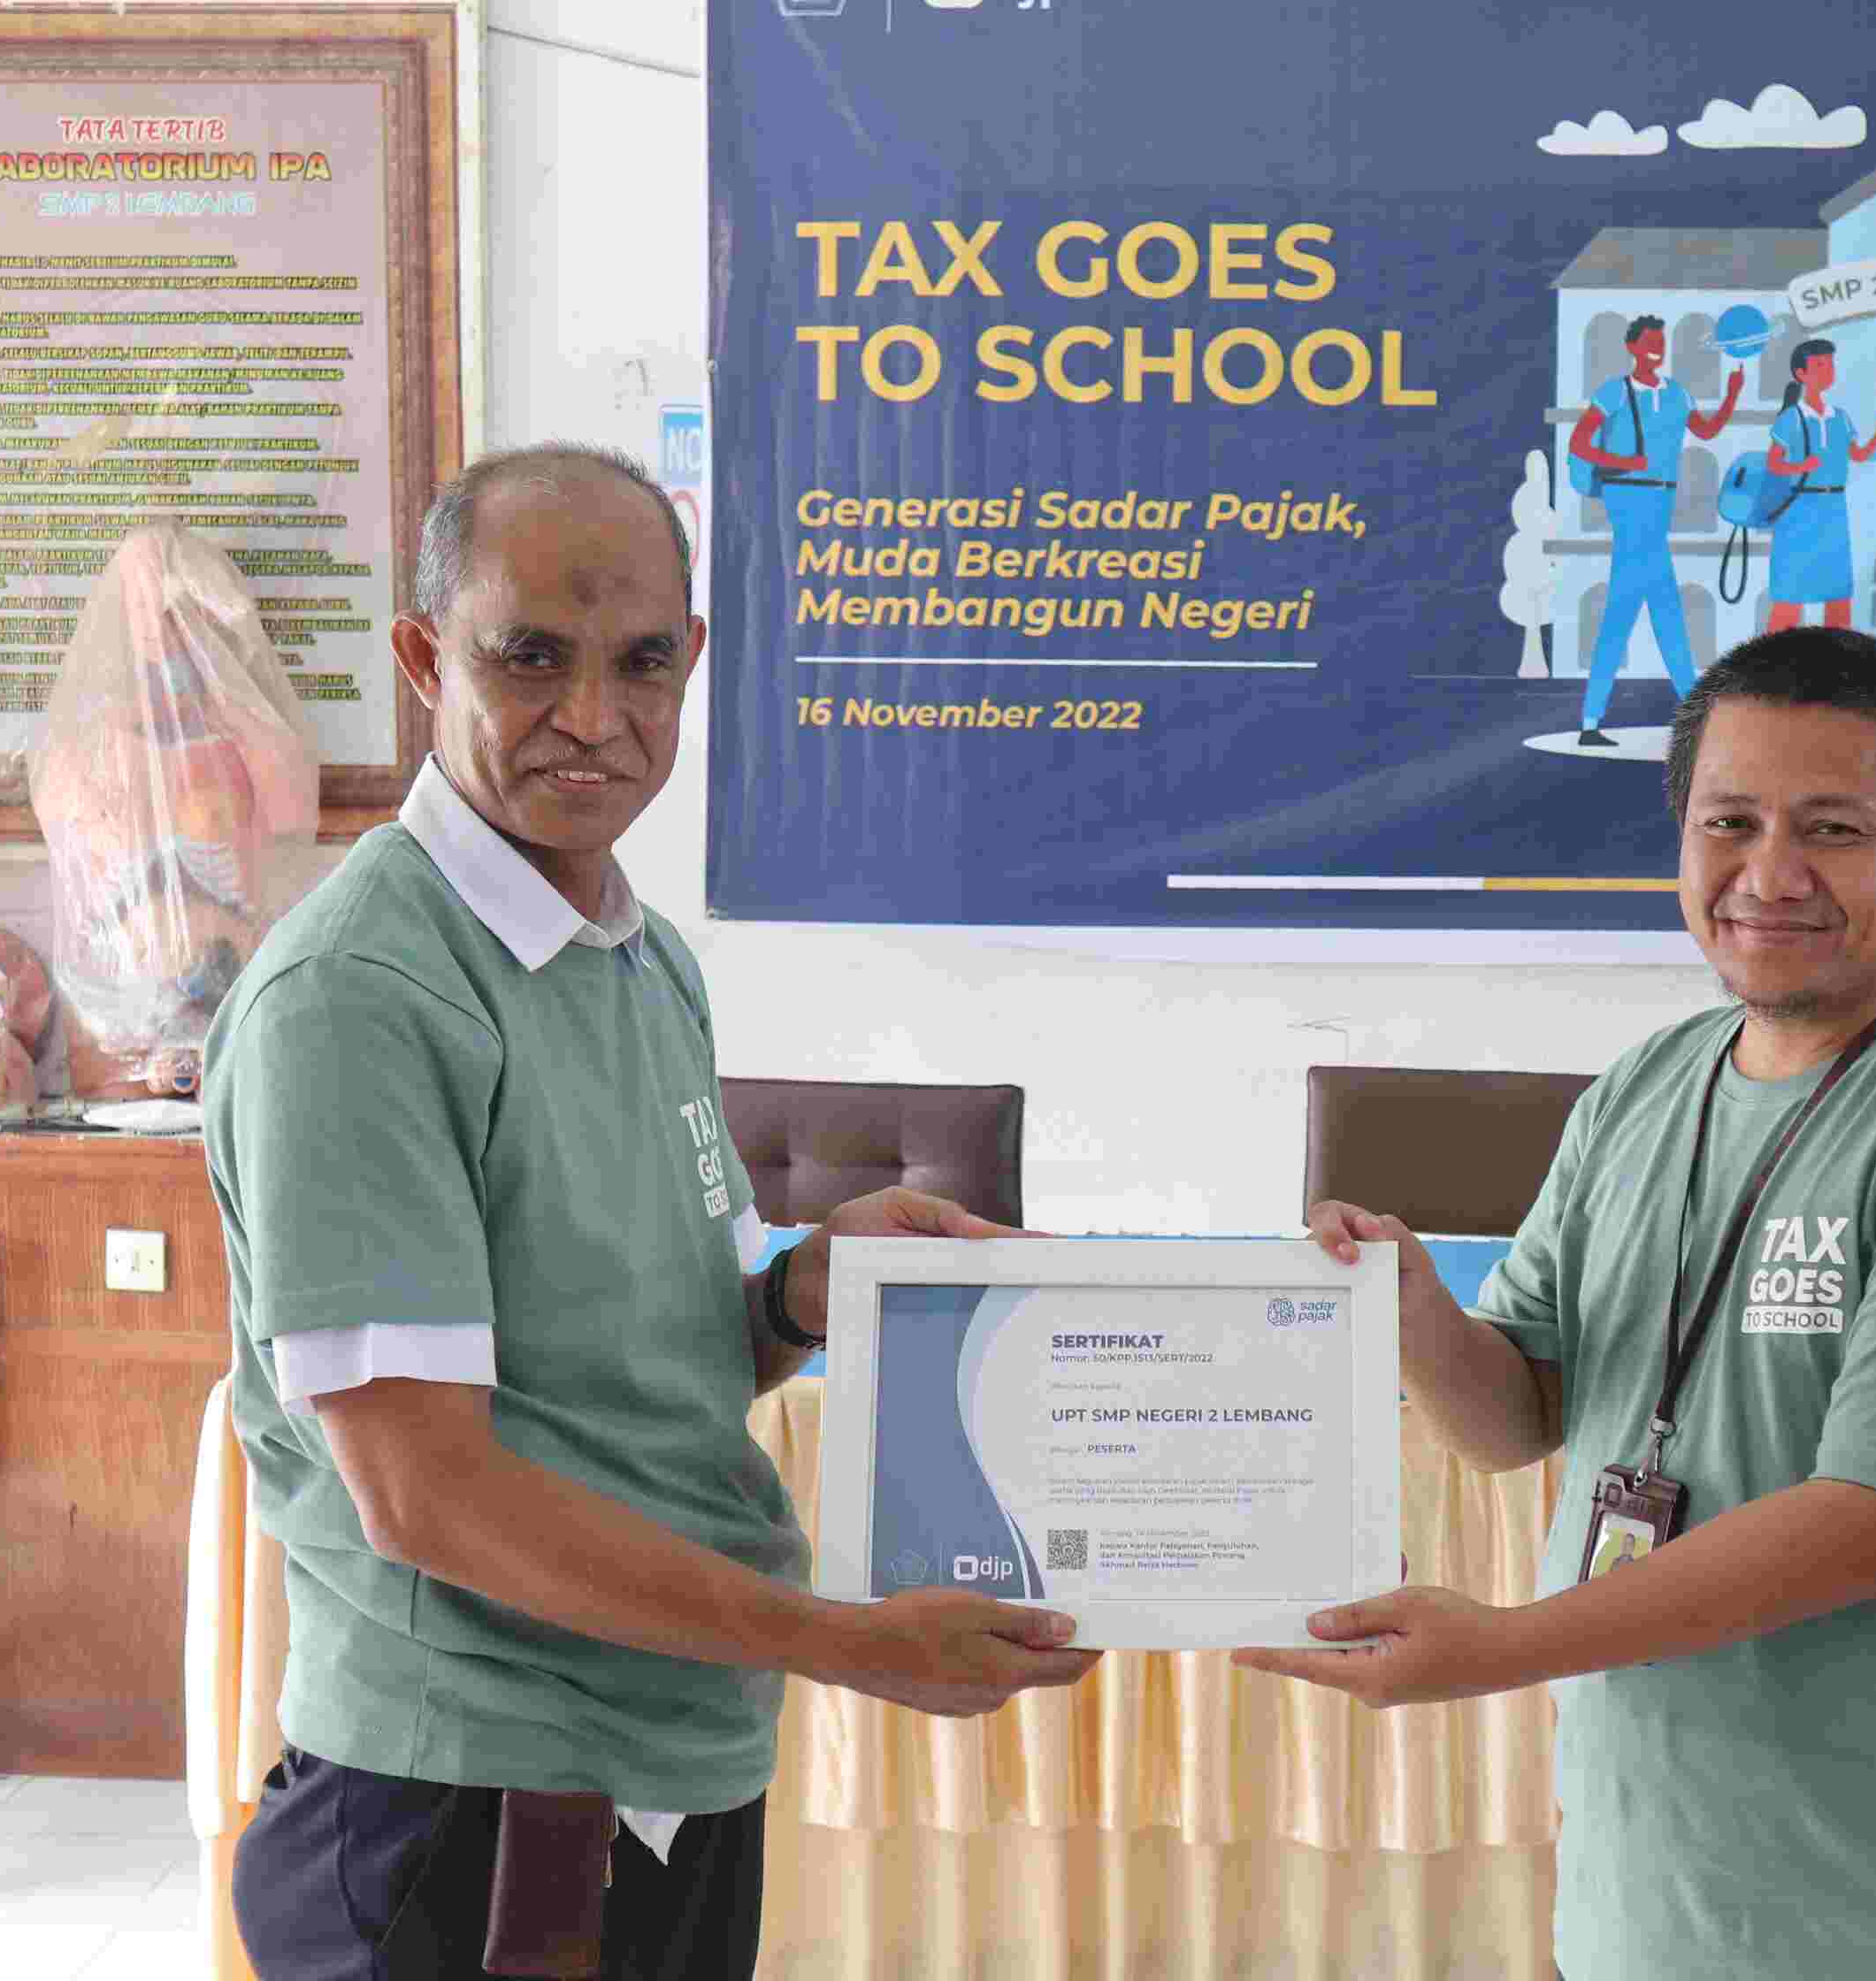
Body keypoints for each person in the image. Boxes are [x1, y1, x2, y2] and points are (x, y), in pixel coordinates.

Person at [206, 442, 1101, 1979]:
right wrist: (841, 1641)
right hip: (474, 1801)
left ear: (691, 663)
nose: (591, 716)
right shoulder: (360, 996)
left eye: (638, 664)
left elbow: (647, 1365)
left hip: (662, 1757)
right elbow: (422, 1494)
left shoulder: (641, 957)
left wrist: (799, 1296)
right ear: (423, 660)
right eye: (527, 658)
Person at [1239, 628, 1876, 1980]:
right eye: (1730, 822)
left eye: (1832, 829)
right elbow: (1516, 1418)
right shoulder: (1645, 1087)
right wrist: (1412, 1306)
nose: (1769, 875)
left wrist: (1504, 1647)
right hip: (1652, 1895)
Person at [1569, 315, 1747, 746]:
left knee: (1638, 607)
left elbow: (1706, 430)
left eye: (1661, 342)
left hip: (1659, 501)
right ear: (1632, 347)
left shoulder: (1677, 393)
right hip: (1628, 499)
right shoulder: (1614, 392)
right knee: (1658, 608)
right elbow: (1579, 443)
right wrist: (1624, 462)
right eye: (1650, 341)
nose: (1657, 348)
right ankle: (1693, 715)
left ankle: (1593, 720)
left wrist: (1731, 396)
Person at [1760, 339, 1876, 634]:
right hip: (1799, 509)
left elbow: (1858, 455)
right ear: (1801, 374)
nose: (1828, 371)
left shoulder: (1840, 418)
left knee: (1838, 594)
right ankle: (1772, 659)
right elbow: (1773, 464)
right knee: (1790, 594)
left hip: (1833, 510)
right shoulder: (1791, 418)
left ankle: (1837, 659)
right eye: (1819, 365)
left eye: (1830, 365)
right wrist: (1801, 467)